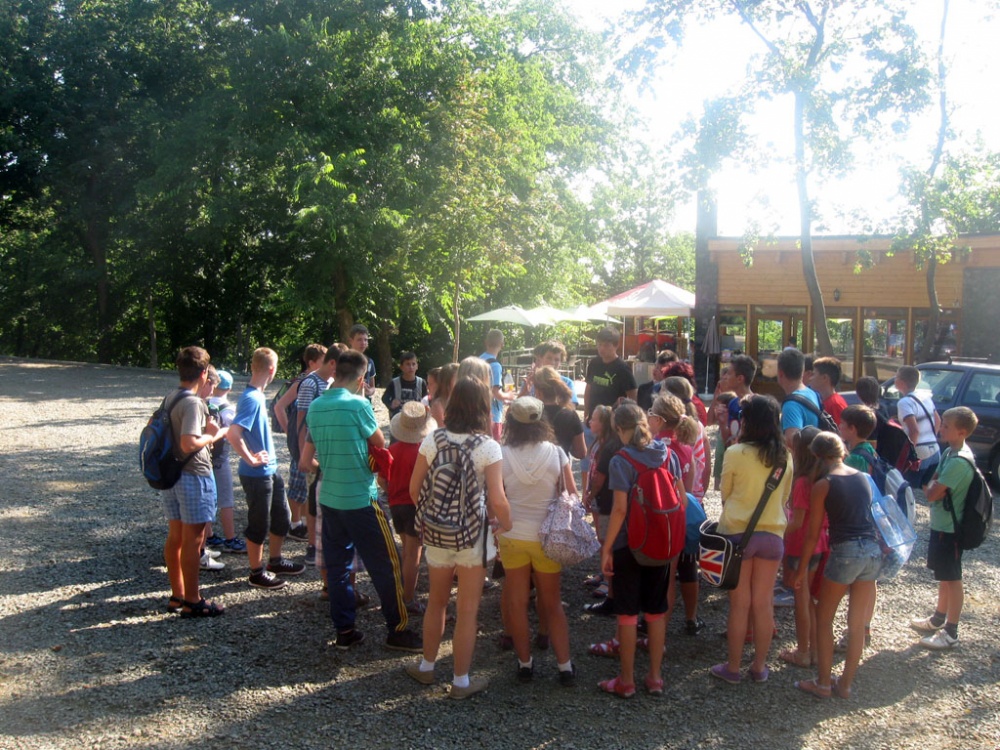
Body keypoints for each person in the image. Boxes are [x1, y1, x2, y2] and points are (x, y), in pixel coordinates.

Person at [299, 349, 423, 653]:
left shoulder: (316, 406)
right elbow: (379, 443)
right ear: (361, 378)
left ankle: (345, 631)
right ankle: (397, 630)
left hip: (330, 499)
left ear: (336, 372)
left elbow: (305, 462)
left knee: (338, 568)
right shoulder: (359, 405)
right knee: (387, 565)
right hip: (361, 500)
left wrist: (330, 465)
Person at [405, 377, 512, 699]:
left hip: (437, 533)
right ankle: (461, 682)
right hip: (472, 537)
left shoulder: (433, 439)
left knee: (436, 602)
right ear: (482, 406)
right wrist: (505, 525)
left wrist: (433, 514)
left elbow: (414, 488)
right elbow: (498, 499)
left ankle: (426, 667)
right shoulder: (488, 447)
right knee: (467, 610)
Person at [710, 395, 792, 685]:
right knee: (763, 602)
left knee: (739, 604)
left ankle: (733, 667)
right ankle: (759, 667)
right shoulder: (785, 457)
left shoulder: (735, 453)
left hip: (737, 535)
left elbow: (725, 494)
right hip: (772, 535)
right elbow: (784, 498)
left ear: (747, 421)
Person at [597, 403, 676, 698]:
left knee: (628, 613)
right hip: (660, 542)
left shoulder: (621, 460)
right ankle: (655, 677)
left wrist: (606, 548)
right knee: (656, 610)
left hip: (628, 544)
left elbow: (619, 509)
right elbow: (679, 499)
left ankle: (626, 681)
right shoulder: (666, 454)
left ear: (619, 429)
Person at [794, 433, 881, 699]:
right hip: (872, 551)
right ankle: (845, 685)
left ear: (817, 456)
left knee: (824, 619)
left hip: (845, 552)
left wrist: (802, 569)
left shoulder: (824, 484)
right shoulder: (862, 476)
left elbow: (812, 534)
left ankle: (822, 683)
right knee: (856, 624)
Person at [498, 397, 578, 686]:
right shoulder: (557, 453)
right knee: (553, 603)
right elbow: (572, 494)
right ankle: (564, 667)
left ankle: (524, 664)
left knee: (517, 602)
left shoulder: (502, 454)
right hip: (547, 536)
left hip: (512, 535)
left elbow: (496, 497)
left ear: (511, 422)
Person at [228, 347, 305, 590]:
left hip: (270, 470)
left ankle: (275, 561)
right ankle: (256, 572)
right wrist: (251, 458)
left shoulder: (258, 396)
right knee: (259, 524)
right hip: (256, 473)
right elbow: (233, 433)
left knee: (282, 517)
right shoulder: (252, 399)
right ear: (272, 370)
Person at [161, 346, 228, 618]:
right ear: (203, 374)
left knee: (176, 537)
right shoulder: (193, 403)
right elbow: (189, 442)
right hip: (193, 475)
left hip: (173, 475)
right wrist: (212, 435)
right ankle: (193, 600)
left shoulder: (170, 396)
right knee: (194, 540)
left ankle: (177, 595)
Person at [909, 406, 979, 650]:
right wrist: (933, 486)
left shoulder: (959, 461)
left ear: (961, 432)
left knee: (953, 577)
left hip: (951, 529)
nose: (941, 428)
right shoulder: (949, 451)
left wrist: (933, 487)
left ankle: (951, 632)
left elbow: (931, 493)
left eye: (946, 426)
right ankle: (939, 618)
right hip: (942, 525)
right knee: (944, 575)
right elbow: (933, 482)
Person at [780, 426, 826, 668]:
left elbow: (797, 522)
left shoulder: (801, 483)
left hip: (800, 546)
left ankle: (803, 651)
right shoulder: (823, 478)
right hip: (819, 543)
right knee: (811, 601)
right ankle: (815, 650)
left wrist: (777, 533)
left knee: (801, 599)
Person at [387, 401, 437, 614]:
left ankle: (401, 592)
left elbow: (382, 480)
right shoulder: (423, 452)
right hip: (414, 506)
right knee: (413, 555)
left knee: (405, 550)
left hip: (395, 504)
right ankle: (408, 598)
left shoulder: (392, 449)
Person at [275, 343, 326, 543]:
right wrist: (292, 432)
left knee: (308, 485)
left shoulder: (320, 381)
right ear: (311, 362)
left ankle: (304, 523)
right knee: (297, 483)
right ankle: (294, 524)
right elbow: (279, 407)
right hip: (301, 444)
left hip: (309, 442)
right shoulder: (303, 382)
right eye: (323, 361)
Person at [294, 347, 338, 566]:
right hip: (313, 453)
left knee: (325, 500)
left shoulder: (331, 383)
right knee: (312, 501)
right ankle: (312, 545)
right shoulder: (310, 383)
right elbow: (301, 420)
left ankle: (325, 542)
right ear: (332, 363)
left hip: (328, 452)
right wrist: (303, 454)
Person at [205, 369, 245, 555]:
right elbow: (231, 433)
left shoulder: (203, 403)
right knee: (226, 499)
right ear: (229, 388)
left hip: (204, 458)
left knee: (206, 499)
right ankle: (230, 538)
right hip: (220, 459)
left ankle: (209, 535)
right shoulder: (228, 408)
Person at [581, 405, 617, 595]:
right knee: (601, 537)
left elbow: (600, 476)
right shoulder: (599, 442)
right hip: (597, 499)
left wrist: (590, 494)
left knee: (605, 539)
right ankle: (603, 573)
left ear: (603, 423)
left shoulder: (607, 446)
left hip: (604, 499)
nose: (590, 421)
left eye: (594, 418)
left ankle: (608, 581)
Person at [663, 376, 711, 499]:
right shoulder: (699, 426)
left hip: (671, 500)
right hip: (694, 498)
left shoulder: (665, 430)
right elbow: (706, 467)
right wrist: (700, 495)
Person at [895, 365, 941, 487]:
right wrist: (930, 438)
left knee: (909, 490)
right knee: (926, 489)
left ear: (901, 382)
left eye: (896, 377)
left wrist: (909, 454)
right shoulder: (925, 397)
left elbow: (914, 431)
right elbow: (938, 421)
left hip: (919, 452)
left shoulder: (904, 403)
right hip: (935, 450)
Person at [584, 327, 638, 425]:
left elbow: (633, 396)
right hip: (593, 418)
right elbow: (588, 389)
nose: (601, 348)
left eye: (606, 345)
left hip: (612, 421)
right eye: (599, 344)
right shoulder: (594, 363)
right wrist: (586, 413)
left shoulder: (623, 368)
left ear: (616, 345)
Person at [534, 366, 586, 459]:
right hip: (560, 464)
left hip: (533, 465)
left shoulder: (530, 414)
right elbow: (581, 453)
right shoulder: (570, 415)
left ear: (538, 392)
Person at [778, 348, 822, 447]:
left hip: (801, 456)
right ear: (802, 372)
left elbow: (792, 442)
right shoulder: (812, 393)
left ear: (780, 374)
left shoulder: (791, 405)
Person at [480, 329, 515, 440]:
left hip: (478, 412)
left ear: (485, 342)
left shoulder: (479, 360)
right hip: (492, 415)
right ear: (502, 345)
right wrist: (509, 396)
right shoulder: (495, 365)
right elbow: (496, 393)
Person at [715, 354, 756, 446]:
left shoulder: (757, 405)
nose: (725, 377)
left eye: (729, 373)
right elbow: (728, 442)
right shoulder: (733, 403)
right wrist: (723, 423)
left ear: (740, 379)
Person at [382, 351, 427, 419]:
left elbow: (427, 399)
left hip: (417, 418)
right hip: (399, 418)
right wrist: (391, 404)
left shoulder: (421, 383)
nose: (411, 367)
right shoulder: (394, 383)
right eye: (408, 364)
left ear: (417, 366)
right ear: (401, 367)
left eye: (413, 364)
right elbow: (385, 398)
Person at [812, 357, 849, 426]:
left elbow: (840, 430)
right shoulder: (822, 400)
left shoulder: (835, 404)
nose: (811, 378)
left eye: (813, 374)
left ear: (824, 378)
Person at [347, 324, 377, 401]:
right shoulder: (344, 360)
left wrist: (369, 391)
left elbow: (372, 387)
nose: (363, 343)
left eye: (365, 340)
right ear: (350, 341)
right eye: (359, 340)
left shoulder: (370, 362)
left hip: (364, 402)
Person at [428, 362, 458, 428]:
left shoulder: (460, 401)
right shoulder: (438, 405)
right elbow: (441, 429)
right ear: (447, 382)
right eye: (457, 378)